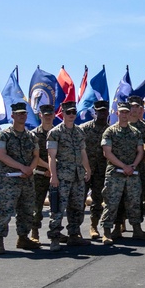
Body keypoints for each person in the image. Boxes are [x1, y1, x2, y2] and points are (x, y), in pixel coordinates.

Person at [0, 103, 39, 255]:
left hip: (27, 180)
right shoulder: (4, 135)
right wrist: (21, 167)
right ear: (12, 116)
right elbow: (1, 155)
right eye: (18, 114)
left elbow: (36, 156)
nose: (22, 116)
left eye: (24, 113)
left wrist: (30, 168)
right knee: (5, 210)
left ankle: (23, 238)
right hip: (9, 181)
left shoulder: (31, 136)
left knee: (27, 210)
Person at [46, 101, 92, 251]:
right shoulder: (55, 133)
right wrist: (53, 176)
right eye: (68, 113)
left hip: (78, 176)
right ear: (62, 114)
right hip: (62, 177)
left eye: (73, 112)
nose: (71, 115)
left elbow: (83, 152)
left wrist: (88, 169)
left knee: (77, 207)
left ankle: (74, 235)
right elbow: (51, 157)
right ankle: (55, 238)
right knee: (58, 208)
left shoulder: (79, 132)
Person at [100, 102, 145, 243]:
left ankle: (137, 229)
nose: (124, 114)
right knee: (111, 203)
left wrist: (133, 166)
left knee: (134, 202)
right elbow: (107, 153)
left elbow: (140, 151)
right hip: (115, 173)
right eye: (122, 112)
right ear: (117, 113)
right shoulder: (110, 131)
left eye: (127, 112)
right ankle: (107, 232)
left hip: (132, 172)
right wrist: (123, 166)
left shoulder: (135, 132)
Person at [80, 100, 110, 240]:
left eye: (104, 111)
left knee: (97, 200)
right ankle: (76, 229)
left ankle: (94, 226)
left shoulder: (110, 130)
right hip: (85, 170)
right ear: (94, 112)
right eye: (99, 111)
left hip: (101, 171)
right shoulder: (84, 128)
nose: (102, 113)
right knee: (79, 200)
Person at [125, 95, 145, 235]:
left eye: (137, 106)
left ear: (141, 109)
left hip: (141, 166)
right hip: (123, 166)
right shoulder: (122, 124)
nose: (134, 109)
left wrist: (143, 161)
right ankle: (120, 223)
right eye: (131, 106)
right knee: (122, 196)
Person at [30, 104, 55, 244]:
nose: (48, 117)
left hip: (54, 176)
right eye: (45, 114)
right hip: (39, 174)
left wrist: (52, 170)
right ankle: (35, 233)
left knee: (56, 206)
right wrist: (49, 167)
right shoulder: (34, 134)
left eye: (50, 114)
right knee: (37, 206)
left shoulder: (58, 133)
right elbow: (34, 156)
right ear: (40, 115)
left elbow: (63, 155)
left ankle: (55, 232)